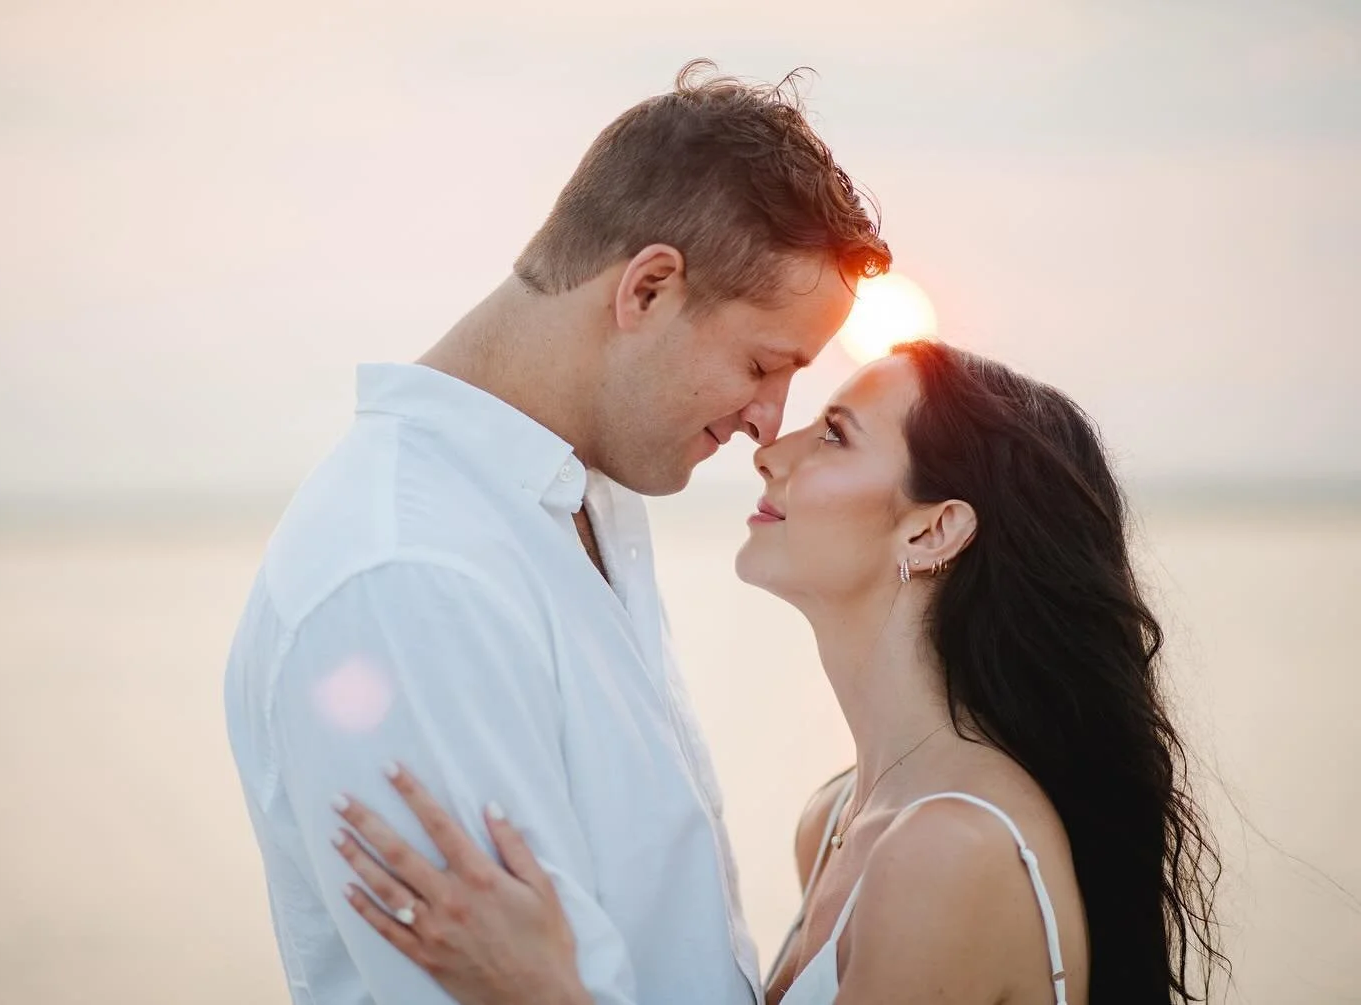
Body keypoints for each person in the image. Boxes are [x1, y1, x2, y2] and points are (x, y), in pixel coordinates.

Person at [223, 59, 890, 1005]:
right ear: (649, 289)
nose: (768, 422)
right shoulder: (410, 576)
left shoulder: (583, 496)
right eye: (761, 363)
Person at [328, 341, 1229, 1004]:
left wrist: (537, 993)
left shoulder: (950, 853)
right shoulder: (838, 817)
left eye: (834, 434)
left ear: (932, 529)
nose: (771, 449)